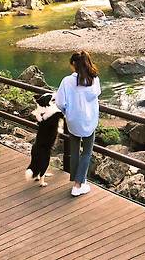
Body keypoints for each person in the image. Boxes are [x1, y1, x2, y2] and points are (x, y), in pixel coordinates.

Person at [55, 51, 101, 197]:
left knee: (74, 150)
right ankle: (78, 184)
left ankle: (77, 181)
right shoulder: (94, 80)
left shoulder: (67, 81)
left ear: (73, 64)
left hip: (73, 120)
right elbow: (97, 94)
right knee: (87, 152)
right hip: (89, 120)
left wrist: (67, 111)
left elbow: (60, 102)